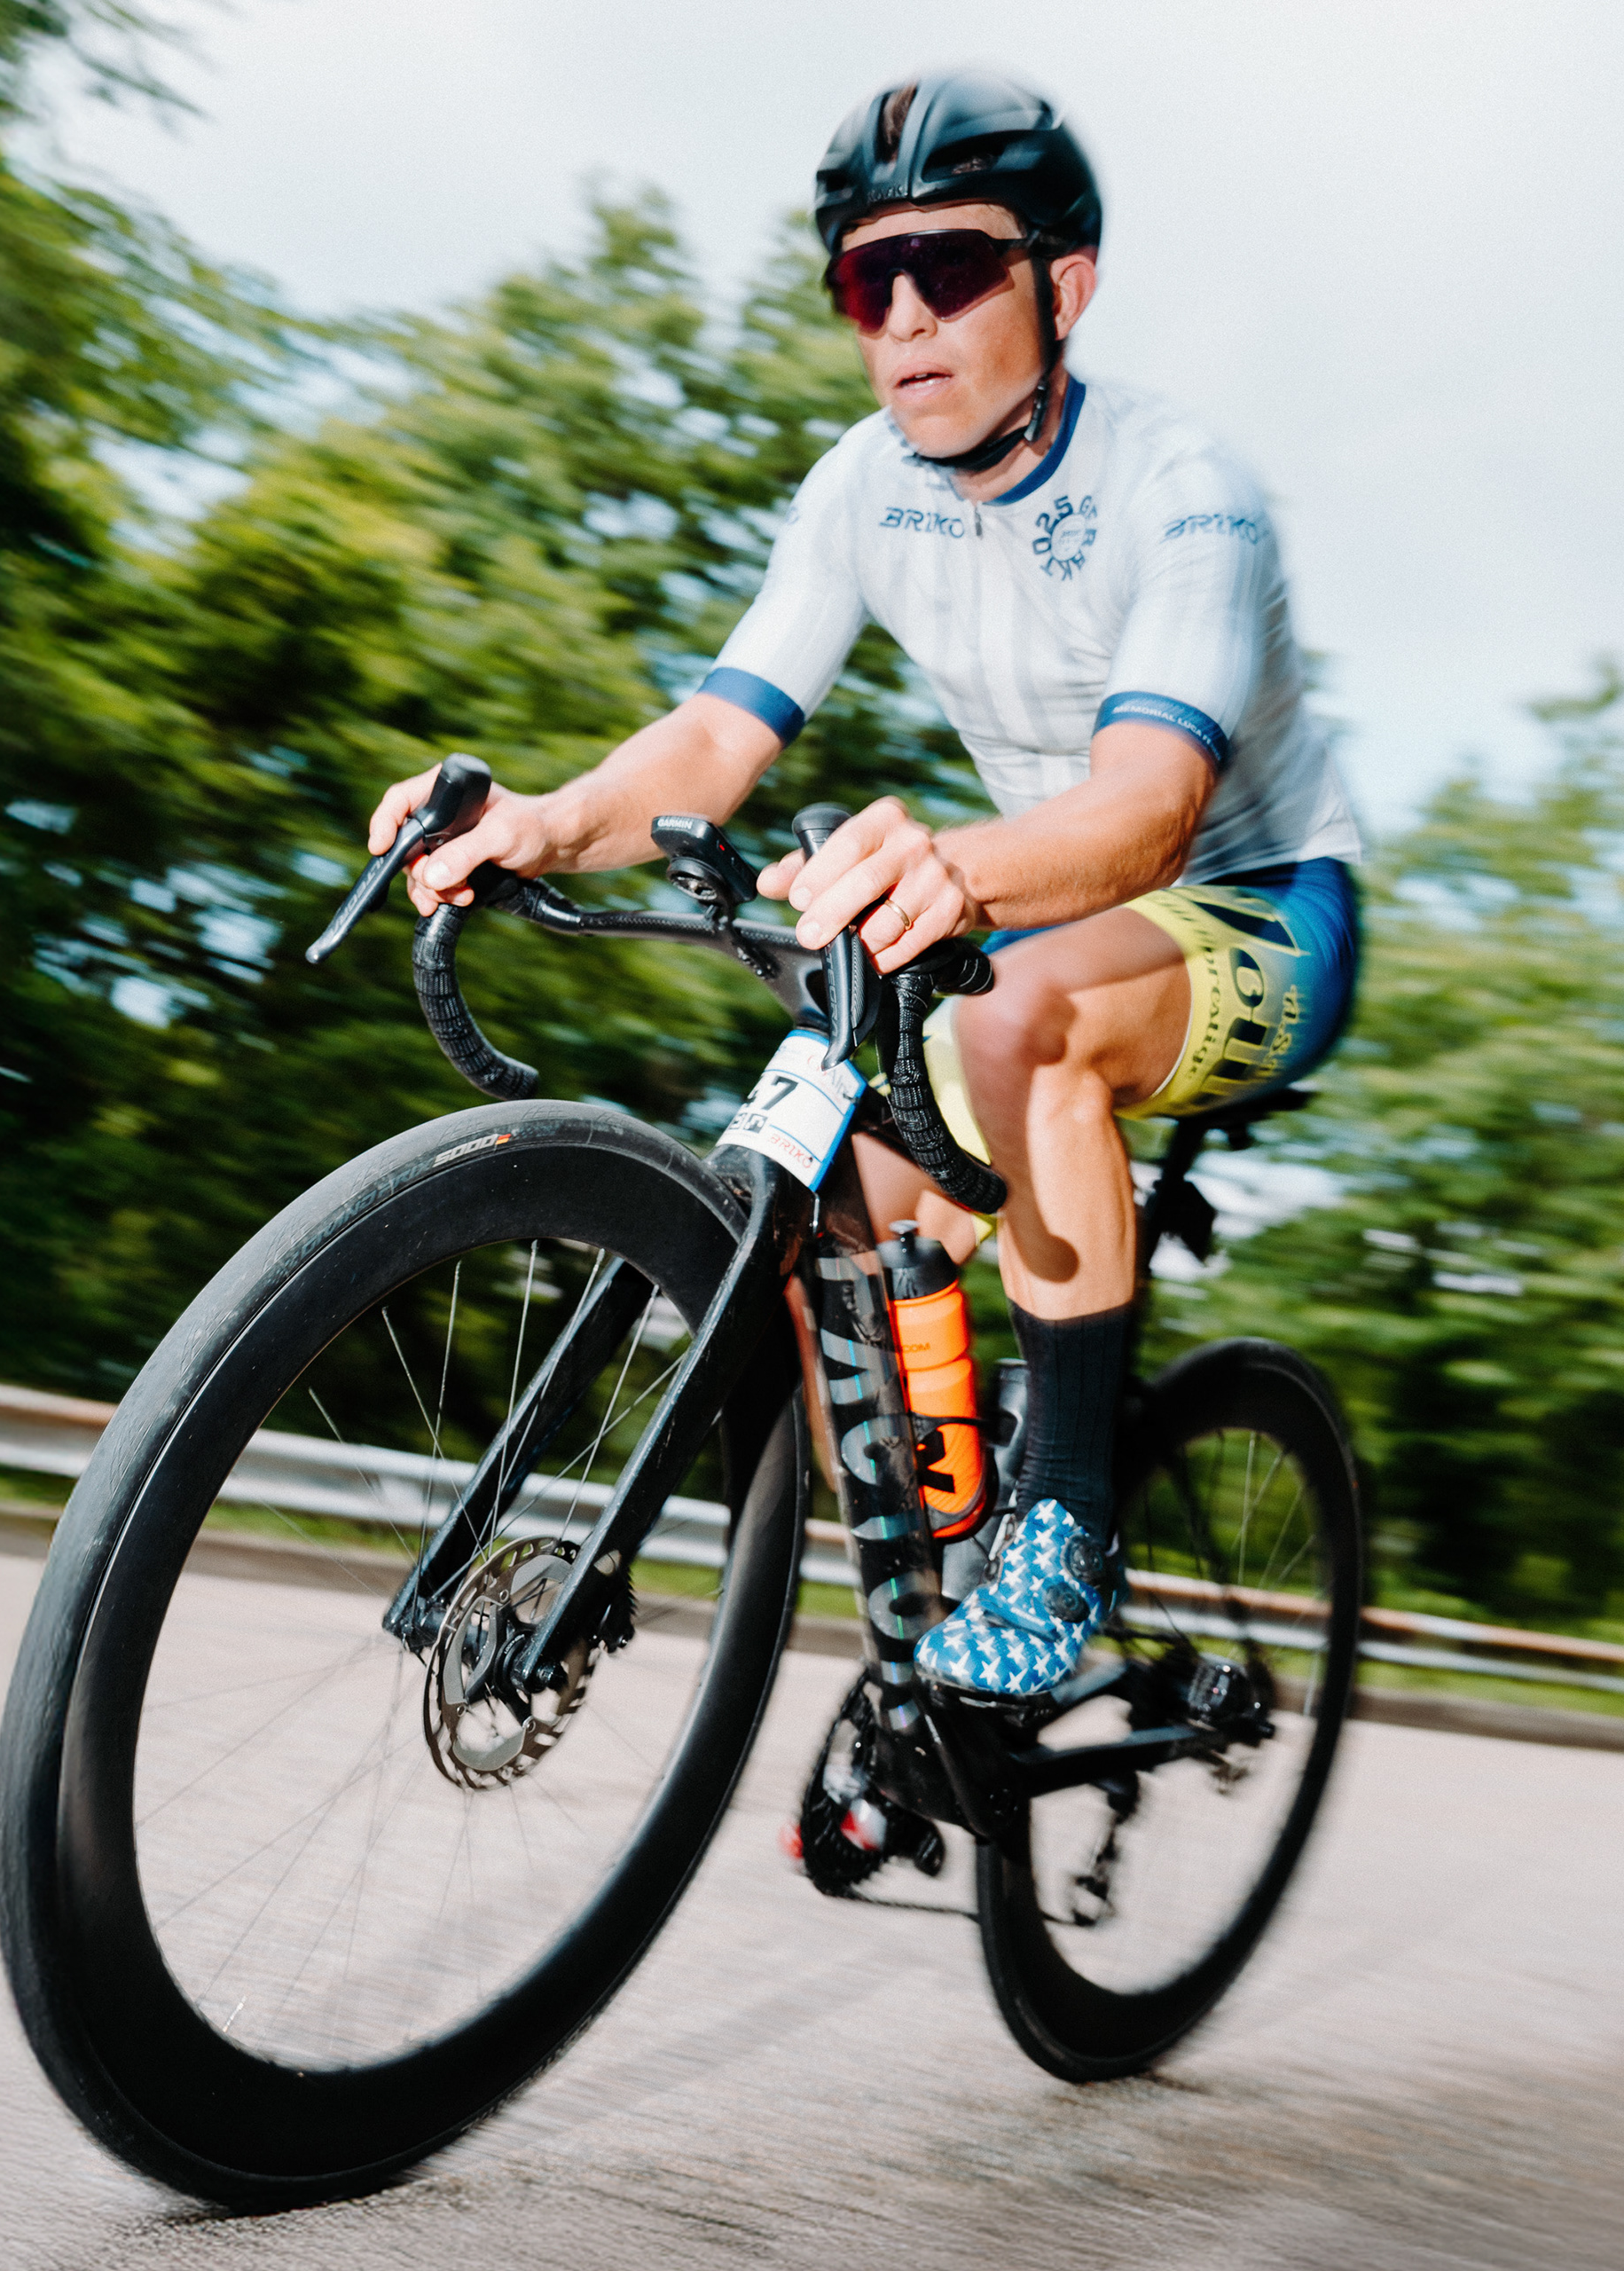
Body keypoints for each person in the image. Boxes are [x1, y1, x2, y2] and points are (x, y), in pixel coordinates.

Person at [366, 69, 1361, 1701]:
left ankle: (1066, 1530)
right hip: (1048, 900)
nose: (903, 316)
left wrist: (954, 866)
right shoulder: (861, 486)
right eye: (864, 279)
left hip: (1260, 901)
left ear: (1064, 286)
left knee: (1018, 1019)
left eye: (951, 268)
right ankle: (925, 1633)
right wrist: (545, 820)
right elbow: (714, 738)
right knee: (817, 1219)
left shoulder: (1186, 493)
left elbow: (1149, 811)